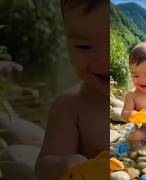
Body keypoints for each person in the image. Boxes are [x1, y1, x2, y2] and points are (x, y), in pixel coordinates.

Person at [35, 1, 108, 179]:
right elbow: (43, 166)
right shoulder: (70, 105)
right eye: (83, 46)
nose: (103, 61)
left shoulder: (136, 98)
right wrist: (65, 165)